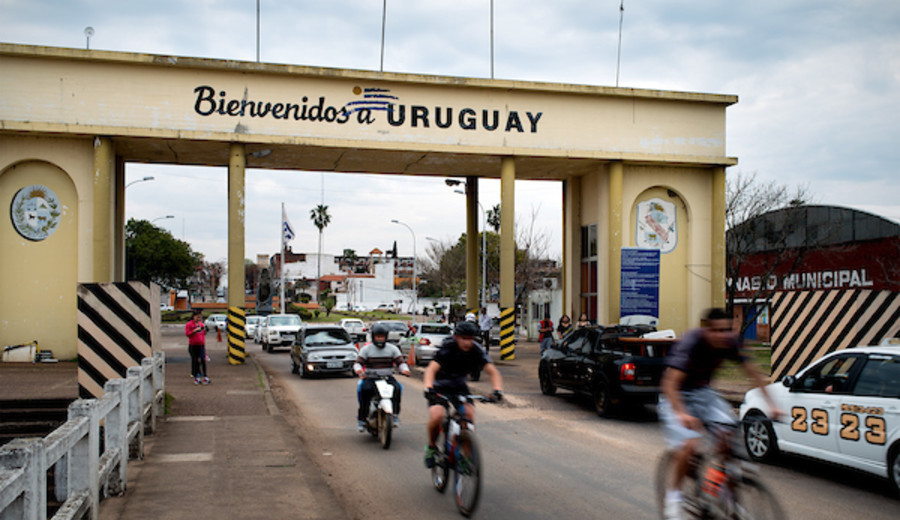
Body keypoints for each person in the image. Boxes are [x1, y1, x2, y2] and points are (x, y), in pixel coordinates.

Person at [659, 308, 781, 520]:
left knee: (730, 438)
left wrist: (772, 405)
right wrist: (682, 415)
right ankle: (674, 498)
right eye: (716, 331)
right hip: (676, 395)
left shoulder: (730, 343)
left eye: (726, 330)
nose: (722, 335)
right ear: (706, 330)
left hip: (704, 394)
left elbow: (753, 373)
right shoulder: (692, 342)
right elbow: (669, 383)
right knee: (689, 446)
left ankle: (728, 497)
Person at [423, 320, 503, 468]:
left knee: (468, 416)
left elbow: (493, 371)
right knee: (437, 416)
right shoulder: (448, 348)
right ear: (456, 337)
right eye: (463, 338)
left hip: (459, 386)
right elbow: (431, 369)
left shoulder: (477, 350)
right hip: (439, 386)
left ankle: (466, 459)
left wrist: (497, 390)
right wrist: (429, 388)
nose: (467, 342)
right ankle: (431, 447)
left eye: (470, 339)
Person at [354, 323, 410, 432]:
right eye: (378, 336)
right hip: (371, 377)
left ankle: (395, 415)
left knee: (397, 389)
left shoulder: (393, 349)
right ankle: (362, 419)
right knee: (365, 391)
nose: (380, 339)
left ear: (386, 337)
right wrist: (359, 370)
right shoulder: (366, 349)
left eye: (382, 336)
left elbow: (400, 362)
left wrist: (405, 369)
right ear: (373, 336)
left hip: (388, 377)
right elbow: (358, 363)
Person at [184, 309, 209, 385]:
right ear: (193, 317)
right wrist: (194, 330)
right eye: (197, 317)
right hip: (193, 346)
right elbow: (187, 334)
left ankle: (205, 376)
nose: (199, 319)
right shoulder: (189, 324)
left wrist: (205, 329)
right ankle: (196, 377)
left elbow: (203, 333)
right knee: (195, 361)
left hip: (201, 345)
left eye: (200, 317)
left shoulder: (201, 324)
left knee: (202, 360)